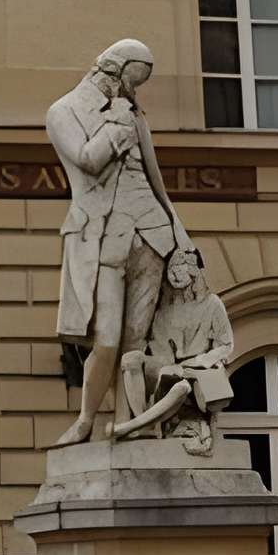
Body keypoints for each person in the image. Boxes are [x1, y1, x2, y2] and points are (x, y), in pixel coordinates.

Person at [48, 39, 183, 445]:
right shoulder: (64, 111)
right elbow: (87, 160)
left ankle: (129, 424)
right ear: (111, 71)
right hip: (102, 236)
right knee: (106, 338)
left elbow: (156, 181)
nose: (132, 92)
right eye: (131, 82)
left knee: (136, 342)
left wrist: (181, 235)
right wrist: (117, 127)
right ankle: (86, 419)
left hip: (151, 233)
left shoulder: (132, 113)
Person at [114, 241, 236, 451]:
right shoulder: (164, 311)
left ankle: (136, 426)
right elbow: (159, 349)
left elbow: (226, 345)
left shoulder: (212, 303)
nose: (176, 272)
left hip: (198, 370)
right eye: (172, 267)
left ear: (195, 271)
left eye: (182, 265)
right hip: (168, 367)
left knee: (181, 387)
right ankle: (145, 424)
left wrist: (197, 362)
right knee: (131, 360)